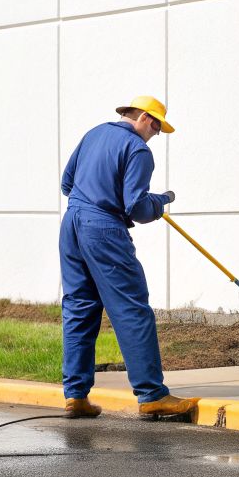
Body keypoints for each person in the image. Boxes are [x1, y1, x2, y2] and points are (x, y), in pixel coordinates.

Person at [57, 95, 200, 421]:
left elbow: (67, 183)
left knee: (79, 306)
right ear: (148, 120)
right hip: (103, 230)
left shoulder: (93, 134)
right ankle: (152, 396)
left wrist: (95, 196)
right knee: (132, 308)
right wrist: (161, 201)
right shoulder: (138, 150)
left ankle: (75, 396)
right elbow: (135, 205)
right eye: (158, 129)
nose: (155, 135)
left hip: (72, 225)